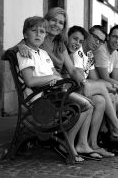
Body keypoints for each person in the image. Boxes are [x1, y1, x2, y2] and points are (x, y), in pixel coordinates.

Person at [17, 9, 103, 160]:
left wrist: (80, 81)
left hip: (57, 87)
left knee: (95, 99)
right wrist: (21, 46)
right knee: (92, 101)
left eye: (61, 22)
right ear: (46, 20)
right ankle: (69, 145)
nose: (56, 24)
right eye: (53, 20)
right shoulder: (35, 42)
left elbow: (70, 69)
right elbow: (23, 47)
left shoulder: (57, 44)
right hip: (46, 93)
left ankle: (79, 143)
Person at [67, 25, 118, 149]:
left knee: (102, 99)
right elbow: (81, 78)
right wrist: (107, 85)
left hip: (85, 88)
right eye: (95, 37)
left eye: (100, 40)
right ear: (88, 35)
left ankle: (92, 143)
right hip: (75, 89)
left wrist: (110, 86)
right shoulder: (77, 52)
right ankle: (117, 129)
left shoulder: (89, 55)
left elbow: (95, 79)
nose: (97, 43)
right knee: (105, 90)